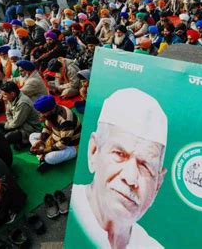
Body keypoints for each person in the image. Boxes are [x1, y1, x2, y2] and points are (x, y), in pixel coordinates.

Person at [70, 88, 167, 248]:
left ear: (157, 185)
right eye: (119, 154)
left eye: (146, 167)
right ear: (94, 151)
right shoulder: (72, 209)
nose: (130, 178)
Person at [30, 95, 81, 172]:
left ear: (50, 110)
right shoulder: (51, 113)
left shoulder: (65, 121)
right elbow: (47, 127)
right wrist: (41, 141)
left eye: (42, 112)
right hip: (55, 137)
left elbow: (63, 144)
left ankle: (44, 158)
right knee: (32, 136)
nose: (40, 115)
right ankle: (42, 155)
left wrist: (44, 151)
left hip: (71, 145)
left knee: (50, 158)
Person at [0, 81, 41, 150]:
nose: (3, 96)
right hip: (18, 122)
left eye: (4, 94)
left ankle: (25, 141)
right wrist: (9, 123)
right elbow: (10, 116)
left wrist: (7, 125)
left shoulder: (23, 103)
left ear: (12, 94)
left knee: (7, 137)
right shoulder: (11, 96)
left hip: (30, 128)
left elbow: (15, 124)